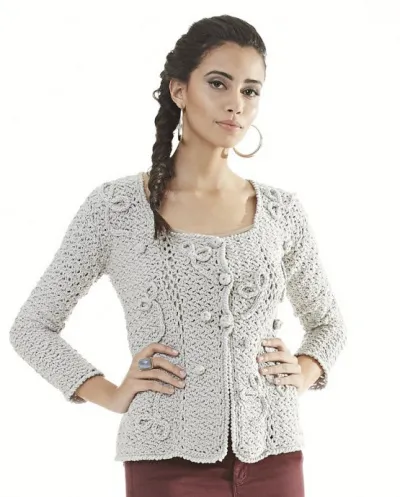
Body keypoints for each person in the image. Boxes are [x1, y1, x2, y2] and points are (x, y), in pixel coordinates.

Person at [9, 14, 347, 497]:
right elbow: (32, 327)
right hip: (165, 461)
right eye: (218, 83)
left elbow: (329, 324)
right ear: (179, 90)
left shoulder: (281, 212)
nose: (236, 103)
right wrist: (109, 393)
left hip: (274, 454)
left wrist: (304, 371)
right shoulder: (117, 208)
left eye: (250, 90)